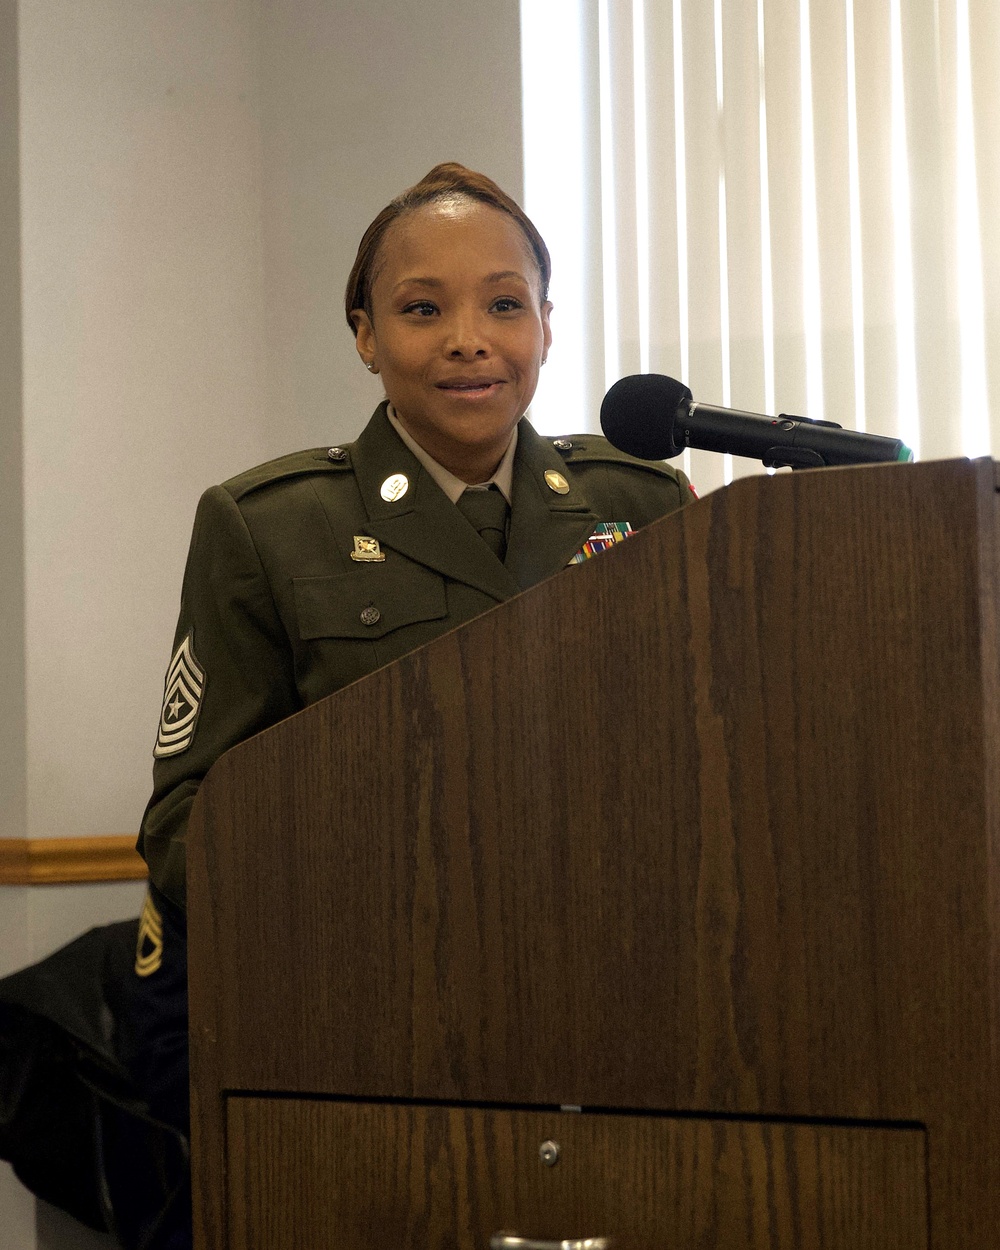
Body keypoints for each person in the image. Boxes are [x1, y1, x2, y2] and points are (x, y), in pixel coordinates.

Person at [130, 161, 695, 1247]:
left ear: (544, 325)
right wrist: (394, 887)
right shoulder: (269, 525)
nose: (469, 337)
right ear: (364, 332)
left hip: (620, 1021)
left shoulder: (644, 501)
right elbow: (188, 826)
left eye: (503, 302)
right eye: (422, 307)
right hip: (365, 1032)